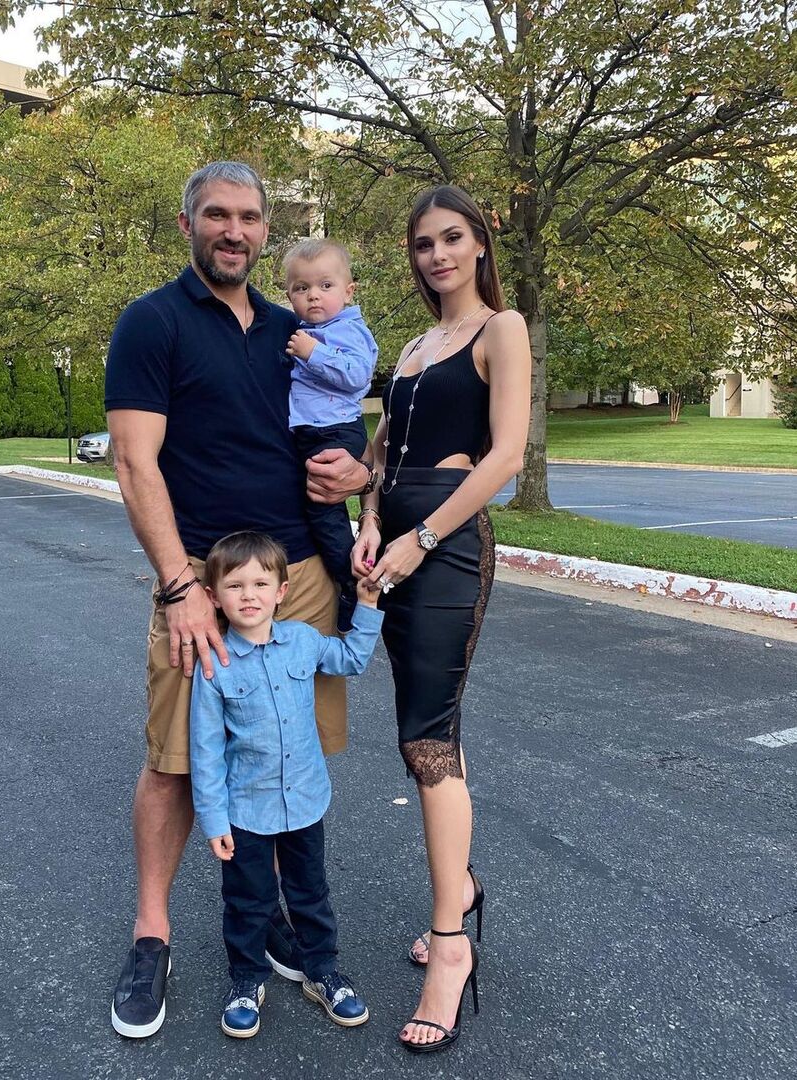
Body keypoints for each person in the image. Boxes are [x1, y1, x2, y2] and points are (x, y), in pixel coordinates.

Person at [104, 161, 374, 1039]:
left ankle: (278, 921)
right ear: (188, 224)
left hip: (300, 577)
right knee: (176, 760)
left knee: (290, 746)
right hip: (203, 579)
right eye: (216, 214)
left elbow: (350, 413)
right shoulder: (154, 322)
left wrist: (364, 474)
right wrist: (180, 586)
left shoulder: (295, 328)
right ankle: (152, 936)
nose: (234, 230)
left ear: (264, 230)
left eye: (249, 217)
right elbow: (135, 462)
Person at [352, 185, 531, 1053]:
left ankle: (451, 945)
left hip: (447, 549)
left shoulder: (503, 329)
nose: (438, 255)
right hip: (392, 546)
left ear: (481, 243)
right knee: (419, 735)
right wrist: (368, 518)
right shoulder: (416, 345)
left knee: (429, 739)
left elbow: (504, 457)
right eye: (424, 243)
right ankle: (459, 888)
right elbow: (383, 448)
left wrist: (420, 538)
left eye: (452, 238)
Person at [189, 531, 383, 1038]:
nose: (248, 595)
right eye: (234, 586)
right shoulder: (214, 665)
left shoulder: (302, 640)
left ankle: (322, 971)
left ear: (281, 591)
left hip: (305, 802)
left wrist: (367, 604)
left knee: (309, 893)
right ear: (213, 596)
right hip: (245, 812)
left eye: (260, 584)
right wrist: (213, 820)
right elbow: (206, 752)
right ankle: (247, 980)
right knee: (247, 901)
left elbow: (352, 659)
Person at [284, 239, 379, 631]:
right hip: (313, 432)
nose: (313, 295)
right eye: (302, 288)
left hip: (335, 432)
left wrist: (312, 352)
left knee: (323, 510)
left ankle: (350, 583)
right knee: (314, 507)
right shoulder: (307, 329)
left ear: (348, 291)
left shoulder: (346, 329)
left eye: (325, 286)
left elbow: (358, 376)